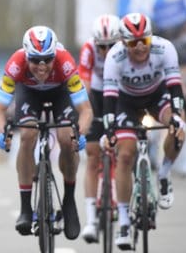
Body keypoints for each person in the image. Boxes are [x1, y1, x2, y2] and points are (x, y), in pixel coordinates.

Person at [0, 26, 93, 240]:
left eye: (47, 59)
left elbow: (86, 110)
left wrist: (81, 132)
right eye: (35, 60)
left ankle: (69, 200)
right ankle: (26, 208)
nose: (42, 66)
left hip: (60, 94)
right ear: (26, 56)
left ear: (55, 55)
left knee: (67, 137)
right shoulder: (15, 64)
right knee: (27, 135)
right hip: (29, 94)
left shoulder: (65, 63)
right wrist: (3, 132)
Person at [101, 12, 186, 250]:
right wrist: (109, 130)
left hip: (157, 97)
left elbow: (175, 89)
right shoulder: (114, 58)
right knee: (125, 155)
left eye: (144, 41)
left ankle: (164, 174)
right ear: (123, 43)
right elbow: (109, 99)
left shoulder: (165, 49)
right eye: (132, 42)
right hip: (126, 103)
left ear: (151, 38)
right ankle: (125, 222)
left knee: (179, 125)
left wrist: (177, 118)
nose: (139, 47)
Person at [77, 14, 121, 243]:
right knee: (93, 156)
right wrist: (85, 112)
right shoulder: (88, 49)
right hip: (95, 94)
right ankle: (92, 220)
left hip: (120, 93)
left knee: (125, 151)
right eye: (101, 46)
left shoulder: (126, 50)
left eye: (111, 46)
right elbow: (83, 83)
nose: (106, 51)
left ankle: (124, 207)